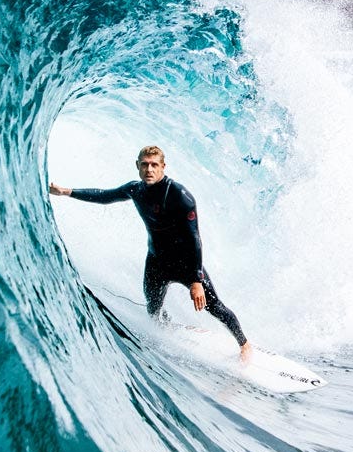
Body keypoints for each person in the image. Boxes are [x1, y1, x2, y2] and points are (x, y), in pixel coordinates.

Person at [49, 145, 253, 363]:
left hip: (186, 265)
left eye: (154, 165)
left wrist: (196, 280)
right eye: (145, 164)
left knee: (214, 307)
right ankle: (167, 326)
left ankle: (244, 344)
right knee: (153, 309)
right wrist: (66, 192)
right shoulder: (135, 190)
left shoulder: (180, 196)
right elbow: (105, 196)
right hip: (156, 262)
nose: (149, 169)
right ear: (137, 166)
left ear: (163, 167)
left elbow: (194, 239)